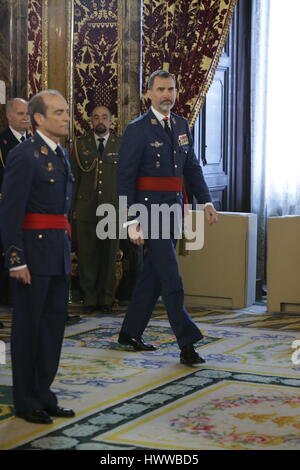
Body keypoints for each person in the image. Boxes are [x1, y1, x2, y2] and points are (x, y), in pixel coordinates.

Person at [117, 70, 218, 365]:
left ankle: (129, 332)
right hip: (149, 212)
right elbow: (124, 178)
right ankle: (187, 344)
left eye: (171, 89)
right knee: (171, 277)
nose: (167, 95)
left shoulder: (181, 124)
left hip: (173, 210)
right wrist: (129, 221)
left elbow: (192, 169)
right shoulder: (138, 129)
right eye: (161, 89)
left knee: (153, 274)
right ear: (149, 94)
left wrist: (207, 201)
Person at [0, 90, 75, 424]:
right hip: (32, 254)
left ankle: (44, 394)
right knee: (28, 329)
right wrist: (16, 259)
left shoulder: (61, 154)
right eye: (57, 112)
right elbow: (10, 212)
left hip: (56, 252)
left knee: (52, 328)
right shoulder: (24, 155)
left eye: (66, 111)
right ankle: (26, 399)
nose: (66, 117)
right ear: (38, 119)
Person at [72, 106, 121, 314]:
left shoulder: (122, 145)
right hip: (86, 208)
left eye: (104, 117)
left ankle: (106, 299)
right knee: (87, 255)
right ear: (90, 120)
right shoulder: (79, 145)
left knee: (109, 255)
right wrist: (72, 209)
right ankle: (89, 298)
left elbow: (127, 179)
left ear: (112, 120)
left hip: (112, 208)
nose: (100, 121)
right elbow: (73, 179)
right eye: (96, 117)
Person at [0, 98, 30, 306]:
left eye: (28, 113)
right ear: (9, 116)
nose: (25, 117)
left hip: (31, 210)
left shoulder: (36, 142)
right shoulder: (2, 142)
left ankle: (28, 300)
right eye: (20, 114)